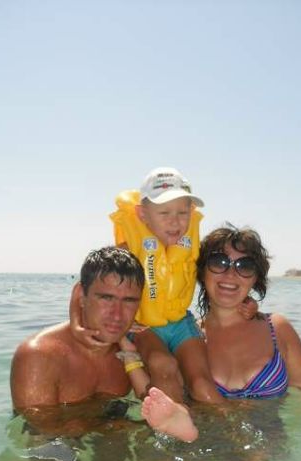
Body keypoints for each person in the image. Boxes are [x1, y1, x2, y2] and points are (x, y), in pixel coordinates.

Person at [141, 225, 301, 442]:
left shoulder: (277, 329)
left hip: (266, 447)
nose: (230, 274)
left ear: (255, 278)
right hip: (205, 442)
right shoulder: (185, 339)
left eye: (245, 266)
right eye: (219, 262)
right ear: (201, 271)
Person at [70, 167, 256, 408]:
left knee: (202, 383)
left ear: (191, 212)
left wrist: (248, 302)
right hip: (145, 326)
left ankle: (223, 425)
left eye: (182, 212)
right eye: (164, 212)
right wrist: (76, 325)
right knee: (162, 364)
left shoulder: (189, 249)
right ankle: (172, 428)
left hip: (181, 323)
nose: (174, 221)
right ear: (143, 214)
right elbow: (82, 288)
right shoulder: (128, 249)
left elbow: (220, 280)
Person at [10, 246, 145, 435]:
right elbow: (40, 438)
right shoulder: (40, 355)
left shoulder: (135, 350)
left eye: (129, 301)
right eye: (106, 298)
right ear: (81, 297)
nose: (117, 315)